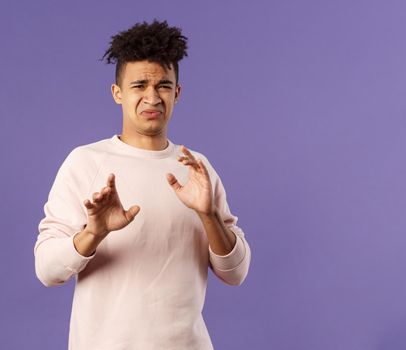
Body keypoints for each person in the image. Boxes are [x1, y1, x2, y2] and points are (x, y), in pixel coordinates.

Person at [34, 19, 251, 350]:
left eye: (163, 85)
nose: (152, 97)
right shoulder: (86, 163)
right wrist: (94, 233)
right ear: (117, 93)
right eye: (139, 86)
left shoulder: (196, 168)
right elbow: (48, 269)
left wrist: (208, 215)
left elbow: (235, 273)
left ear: (177, 93)